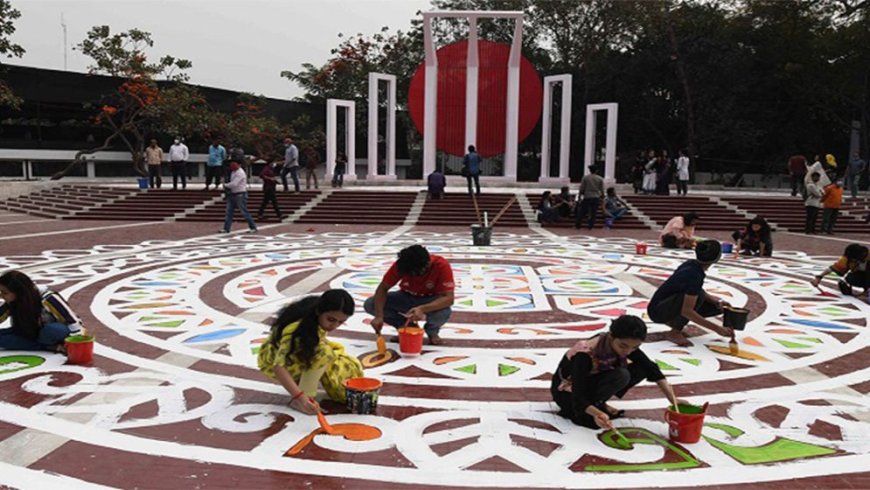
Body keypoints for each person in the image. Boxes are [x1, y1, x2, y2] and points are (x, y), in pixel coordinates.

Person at [551, 315, 680, 430]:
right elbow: (578, 396)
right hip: (567, 394)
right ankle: (593, 407)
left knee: (641, 367)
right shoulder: (585, 354)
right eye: (623, 346)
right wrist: (598, 414)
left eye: (635, 347)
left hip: (588, 385)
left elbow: (650, 367)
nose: (628, 351)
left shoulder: (624, 344)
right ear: (611, 336)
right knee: (621, 376)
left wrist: (672, 399)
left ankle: (598, 403)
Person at [257, 289, 362, 413]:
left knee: (346, 364)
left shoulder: (315, 312)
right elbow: (278, 367)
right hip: (271, 361)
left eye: (341, 322)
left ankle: (304, 387)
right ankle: (305, 399)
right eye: (331, 320)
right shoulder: (296, 330)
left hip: (291, 354)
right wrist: (300, 397)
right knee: (324, 354)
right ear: (319, 312)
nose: (334, 326)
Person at [647, 240, 734, 346]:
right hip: (658, 311)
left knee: (715, 307)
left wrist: (716, 301)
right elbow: (687, 311)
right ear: (717, 257)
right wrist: (717, 329)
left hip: (660, 306)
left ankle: (673, 321)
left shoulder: (691, 264)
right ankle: (675, 332)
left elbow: (695, 290)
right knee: (698, 297)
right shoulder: (695, 275)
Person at [364, 245, 454, 346]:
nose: (412, 276)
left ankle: (432, 331)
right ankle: (405, 326)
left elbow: (448, 298)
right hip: (405, 296)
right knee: (370, 304)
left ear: (427, 265)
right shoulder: (402, 265)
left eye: (416, 273)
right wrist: (379, 316)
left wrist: (422, 309)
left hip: (429, 298)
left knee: (443, 312)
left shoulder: (441, 265)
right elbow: (382, 289)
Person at [0, 270, 83, 352]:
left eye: (5, 293)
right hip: (28, 334)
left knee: (53, 330)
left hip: (49, 334)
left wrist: (76, 343)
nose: (1, 296)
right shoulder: (13, 301)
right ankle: (47, 347)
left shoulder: (47, 297)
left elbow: (73, 321)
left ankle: (45, 345)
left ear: (18, 292)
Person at [219, 161, 257, 234]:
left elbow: (234, 184)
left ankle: (253, 227)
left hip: (240, 194)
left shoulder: (240, 173)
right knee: (229, 212)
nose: (232, 167)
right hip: (233, 193)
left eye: (234, 165)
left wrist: (226, 185)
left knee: (244, 211)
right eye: (231, 165)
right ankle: (226, 228)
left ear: (239, 165)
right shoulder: (233, 172)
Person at [575, 165, 604, 230]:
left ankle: (578, 224)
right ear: (596, 171)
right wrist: (602, 196)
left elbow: (582, 188)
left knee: (582, 211)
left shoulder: (585, 178)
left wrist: (579, 196)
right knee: (593, 212)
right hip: (595, 196)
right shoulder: (600, 178)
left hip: (587, 196)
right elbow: (602, 189)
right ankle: (590, 226)